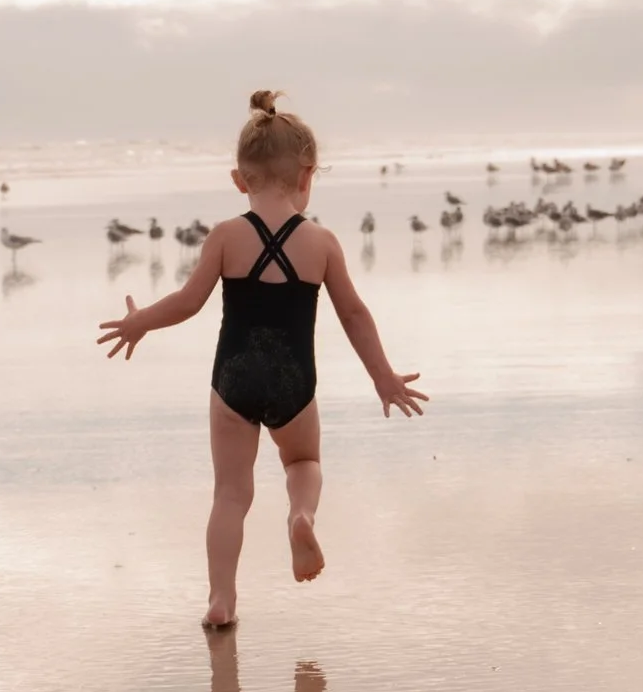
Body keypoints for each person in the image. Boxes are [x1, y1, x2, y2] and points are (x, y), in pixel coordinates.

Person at [97, 90, 426, 629]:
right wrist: (383, 377)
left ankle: (221, 599)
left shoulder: (226, 236)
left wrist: (139, 323)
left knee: (230, 494)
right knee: (302, 463)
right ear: (308, 173)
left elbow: (187, 303)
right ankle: (300, 515)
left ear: (238, 179)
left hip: (233, 378)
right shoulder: (320, 242)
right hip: (294, 379)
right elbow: (355, 315)